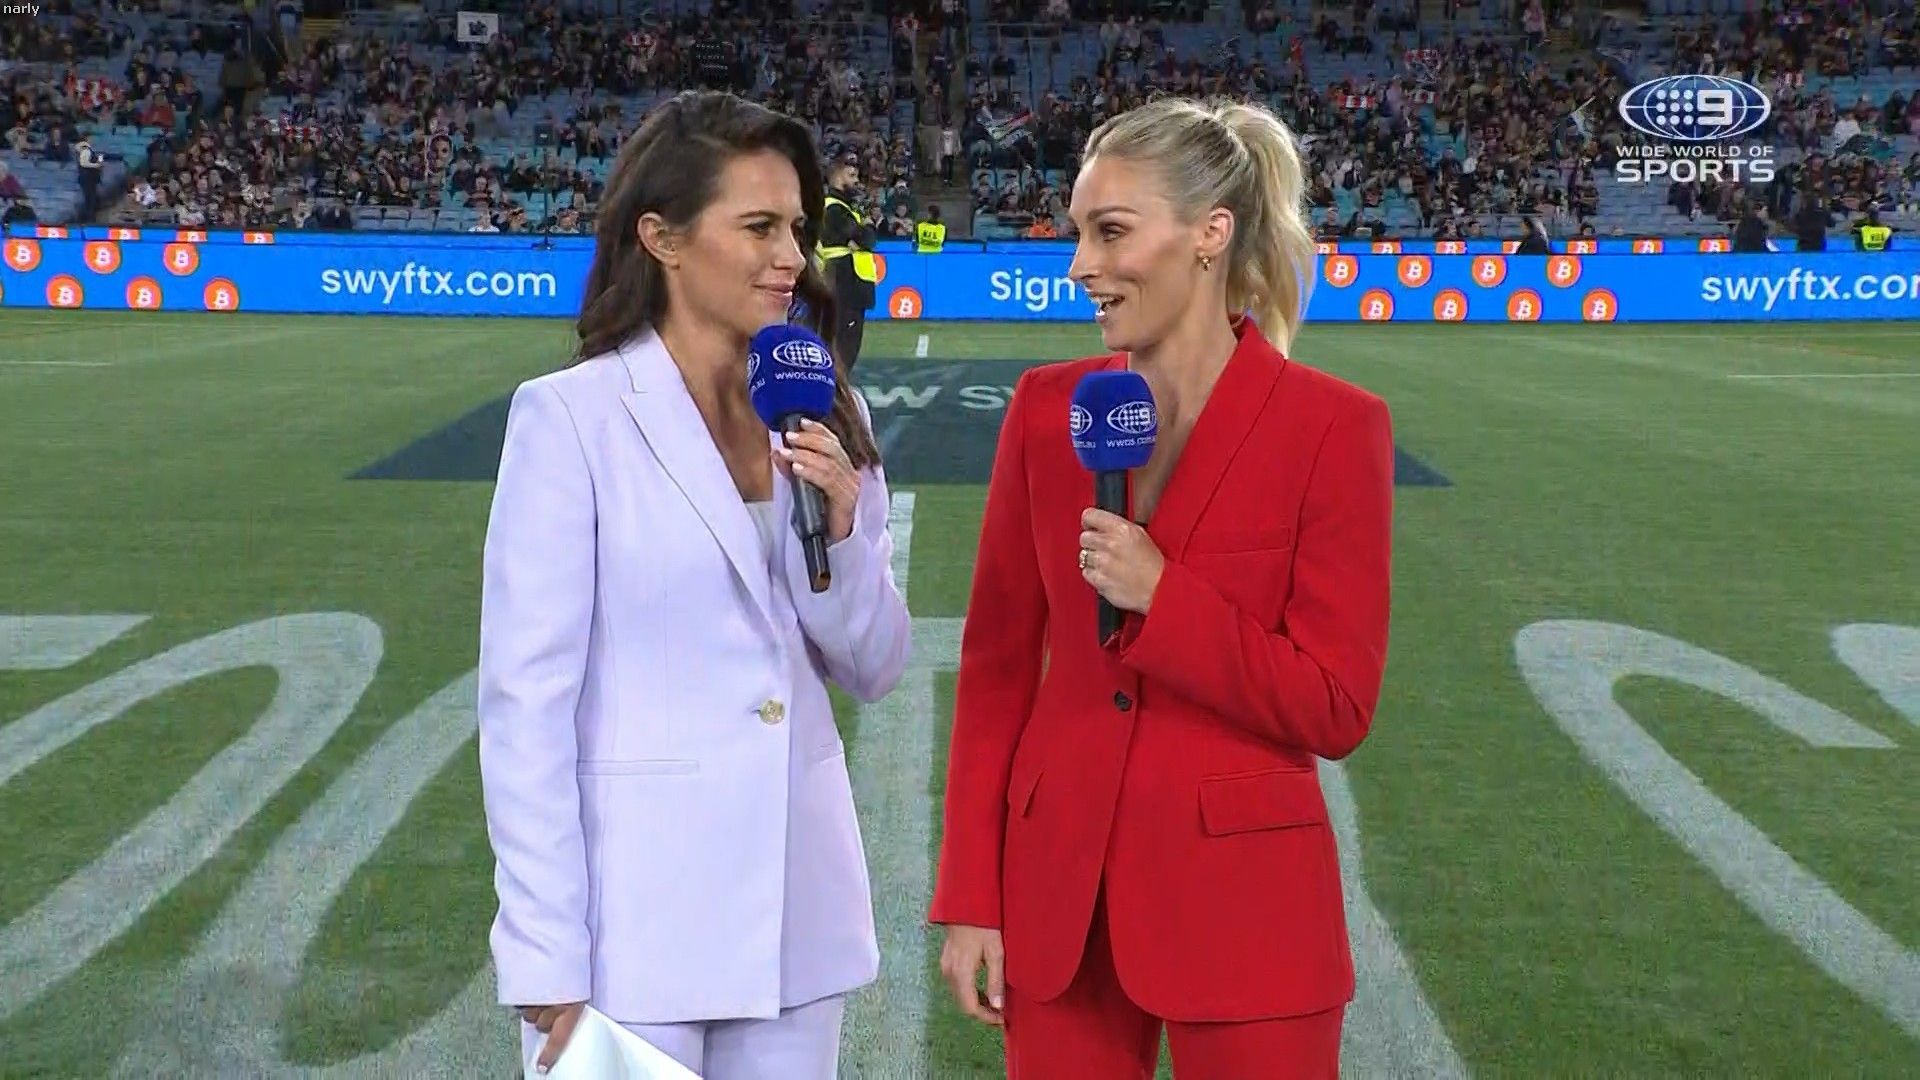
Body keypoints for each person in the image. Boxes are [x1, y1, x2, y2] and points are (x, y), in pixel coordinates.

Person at [929, 94, 1395, 1079]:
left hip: (1248, 904)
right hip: (1056, 897)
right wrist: (971, 892)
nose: (1079, 265)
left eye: (1110, 232)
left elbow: (1336, 703)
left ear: (1209, 235)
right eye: (1078, 234)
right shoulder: (1045, 410)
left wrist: (1163, 597)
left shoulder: (1333, 427)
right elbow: (996, 668)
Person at [477, 89, 911, 1080]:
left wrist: (844, 534)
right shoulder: (570, 419)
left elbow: (876, 665)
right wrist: (545, 948)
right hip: (631, 936)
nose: (791, 256)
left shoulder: (825, 408)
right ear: (662, 238)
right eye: (758, 227)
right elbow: (526, 704)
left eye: (796, 227)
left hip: (797, 930)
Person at [817, 161, 877, 363]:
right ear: (837, 178)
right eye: (851, 176)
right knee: (845, 343)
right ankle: (837, 381)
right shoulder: (835, 208)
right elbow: (866, 239)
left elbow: (860, 240)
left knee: (843, 340)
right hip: (845, 279)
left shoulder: (843, 208)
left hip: (844, 278)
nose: (857, 181)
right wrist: (868, 226)